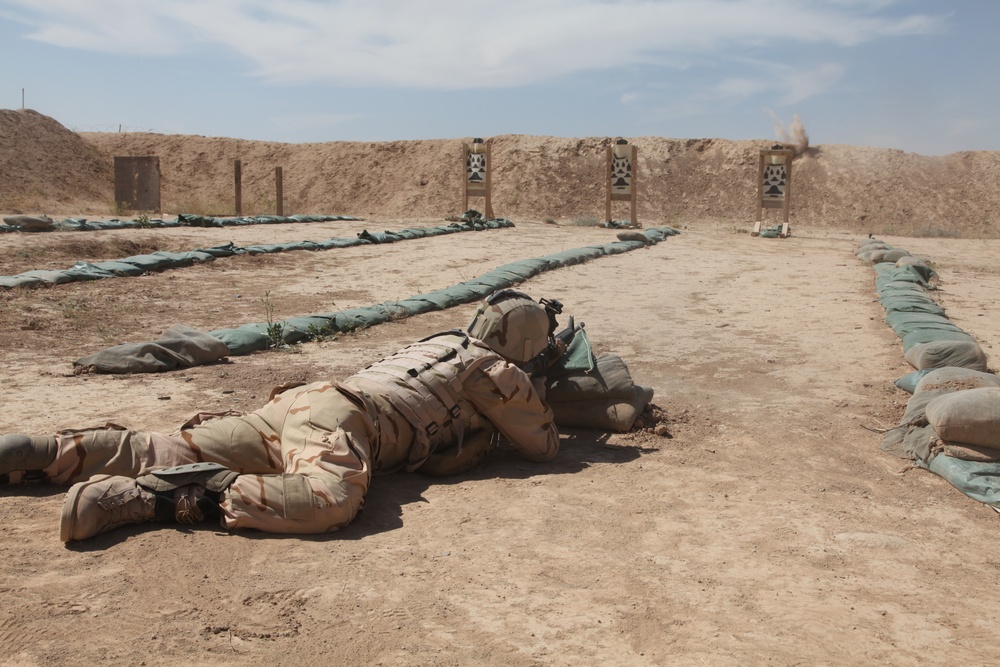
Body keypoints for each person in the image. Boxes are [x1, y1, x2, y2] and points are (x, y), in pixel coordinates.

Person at [0, 290, 568, 543]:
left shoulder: (440, 340)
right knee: (327, 502)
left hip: (299, 401)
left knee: (168, 446)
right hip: (344, 420)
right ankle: (155, 500)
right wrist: (538, 389)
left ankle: (48, 453)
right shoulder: (498, 372)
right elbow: (542, 447)